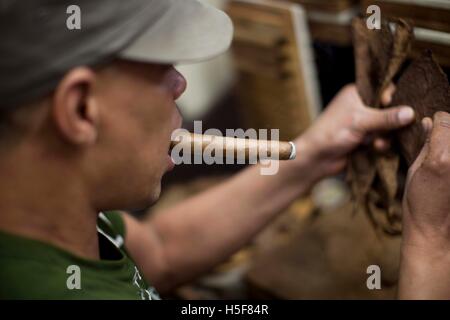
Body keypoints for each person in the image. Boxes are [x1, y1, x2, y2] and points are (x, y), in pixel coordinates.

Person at [0, 0, 446, 300]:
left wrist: (312, 154)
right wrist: (430, 241)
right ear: (80, 109)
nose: (181, 83)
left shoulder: (53, 219)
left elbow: (157, 250)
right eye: (161, 68)